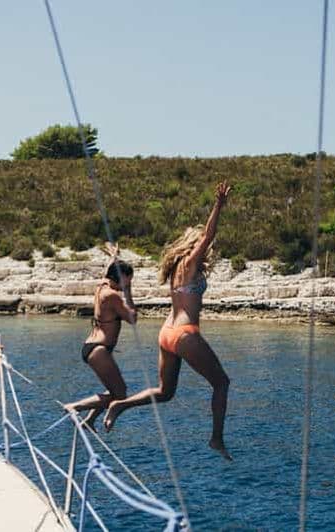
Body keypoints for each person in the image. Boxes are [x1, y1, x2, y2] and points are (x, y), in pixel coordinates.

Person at [104, 182, 233, 460]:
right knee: (221, 383)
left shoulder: (176, 267)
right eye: (199, 243)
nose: (205, 248)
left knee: (165, 392)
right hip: (185, 334)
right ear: (193, 244)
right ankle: (216, 439)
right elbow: (208, 236)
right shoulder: (189, 263)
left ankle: (119, 406)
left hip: (167, 333)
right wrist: (219, 206)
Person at [64, 244, 136, 430]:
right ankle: (75, 407)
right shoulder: (112, 296)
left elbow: (108, 270)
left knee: (115, 390)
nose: (128, 283)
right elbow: (132, 318)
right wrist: (128, 292)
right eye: (127, 280)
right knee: (121, 395)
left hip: (95, 347)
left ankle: (89, 420)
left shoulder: (102, 285)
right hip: (98, 350)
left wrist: (114, 256)